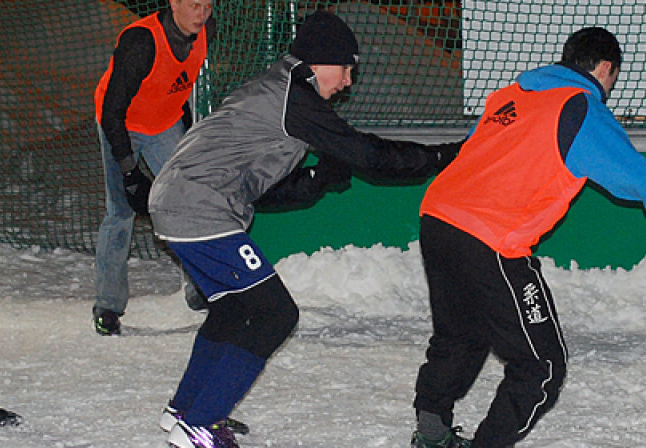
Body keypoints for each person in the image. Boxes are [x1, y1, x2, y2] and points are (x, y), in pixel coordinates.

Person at [147, 10, 462, 448]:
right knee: (276, 314)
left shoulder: (280, 91)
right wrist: (446, 156)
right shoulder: (293, 97)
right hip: (198, 206)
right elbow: (371, 155)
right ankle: (199, 424)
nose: (349, 81)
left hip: (184, 202)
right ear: (322, 61)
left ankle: (186, 412)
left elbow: (263, 188)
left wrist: (317, 180)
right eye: (347, 68)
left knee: (232, 311)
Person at [409, 27, 646, 448]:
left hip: (438, 217)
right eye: (614, 77)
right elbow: (642, 180)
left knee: (461, 334)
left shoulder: (509, 96)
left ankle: (430, 432)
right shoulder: (579, 107)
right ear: (606, 67)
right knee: (541, 366)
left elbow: (471, 151)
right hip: (490, 237)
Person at [93, 0, 215, 336]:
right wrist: (130, 171)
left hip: (165, 125)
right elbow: (111, 111)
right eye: (193, 5)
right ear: (174, 3)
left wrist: (187, 139)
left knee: (187, 205)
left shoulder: (206, 29)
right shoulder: (141, 43)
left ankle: (198, 289)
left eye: (207, 5)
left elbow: (182, 84)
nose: (201, 13)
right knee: (120, 213)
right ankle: (107, 305)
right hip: (122, 125)